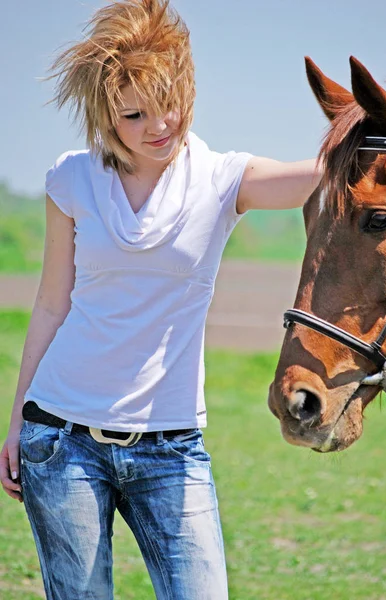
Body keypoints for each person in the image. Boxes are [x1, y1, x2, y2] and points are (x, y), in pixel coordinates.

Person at [0, 1, 322, 598]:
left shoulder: (223, 178)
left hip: (172, 449)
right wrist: (18, 420)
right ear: (103, 115)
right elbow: (50, 305)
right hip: (61, 440)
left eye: (168, 101)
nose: (159, 125)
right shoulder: (70, 179)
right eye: (133, 114)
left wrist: (379, 134)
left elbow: (320, 173)